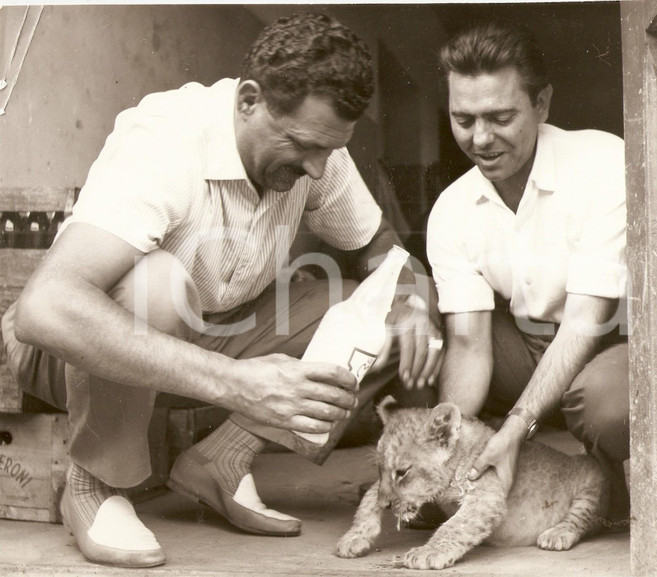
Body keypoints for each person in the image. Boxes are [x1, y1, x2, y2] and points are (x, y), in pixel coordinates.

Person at [1, 12, 442, 569]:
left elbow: (380, 245)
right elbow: (45, 309)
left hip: (201, 339)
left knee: (380, 309)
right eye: (302, 144)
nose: (315, 168)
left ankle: (223, 458)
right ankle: (92, 484)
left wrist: (413, 298)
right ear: (249, 100)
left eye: (329, 150)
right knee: (157, 281)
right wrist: (237, 384)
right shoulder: (167, 140)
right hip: (73, 353)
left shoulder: (318, 152)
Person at [427, 21, 629, 527]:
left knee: (605, 405)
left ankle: (612, 485)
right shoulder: (452, 209)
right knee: (423, 327)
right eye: (464, 118)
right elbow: (470, 343)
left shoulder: (604, 163)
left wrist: (517, 429)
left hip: (613, 344)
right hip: (529, 347)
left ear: (542, 105)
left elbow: (586, 321)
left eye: (500, 117)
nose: (480, 138)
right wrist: (446, 453)